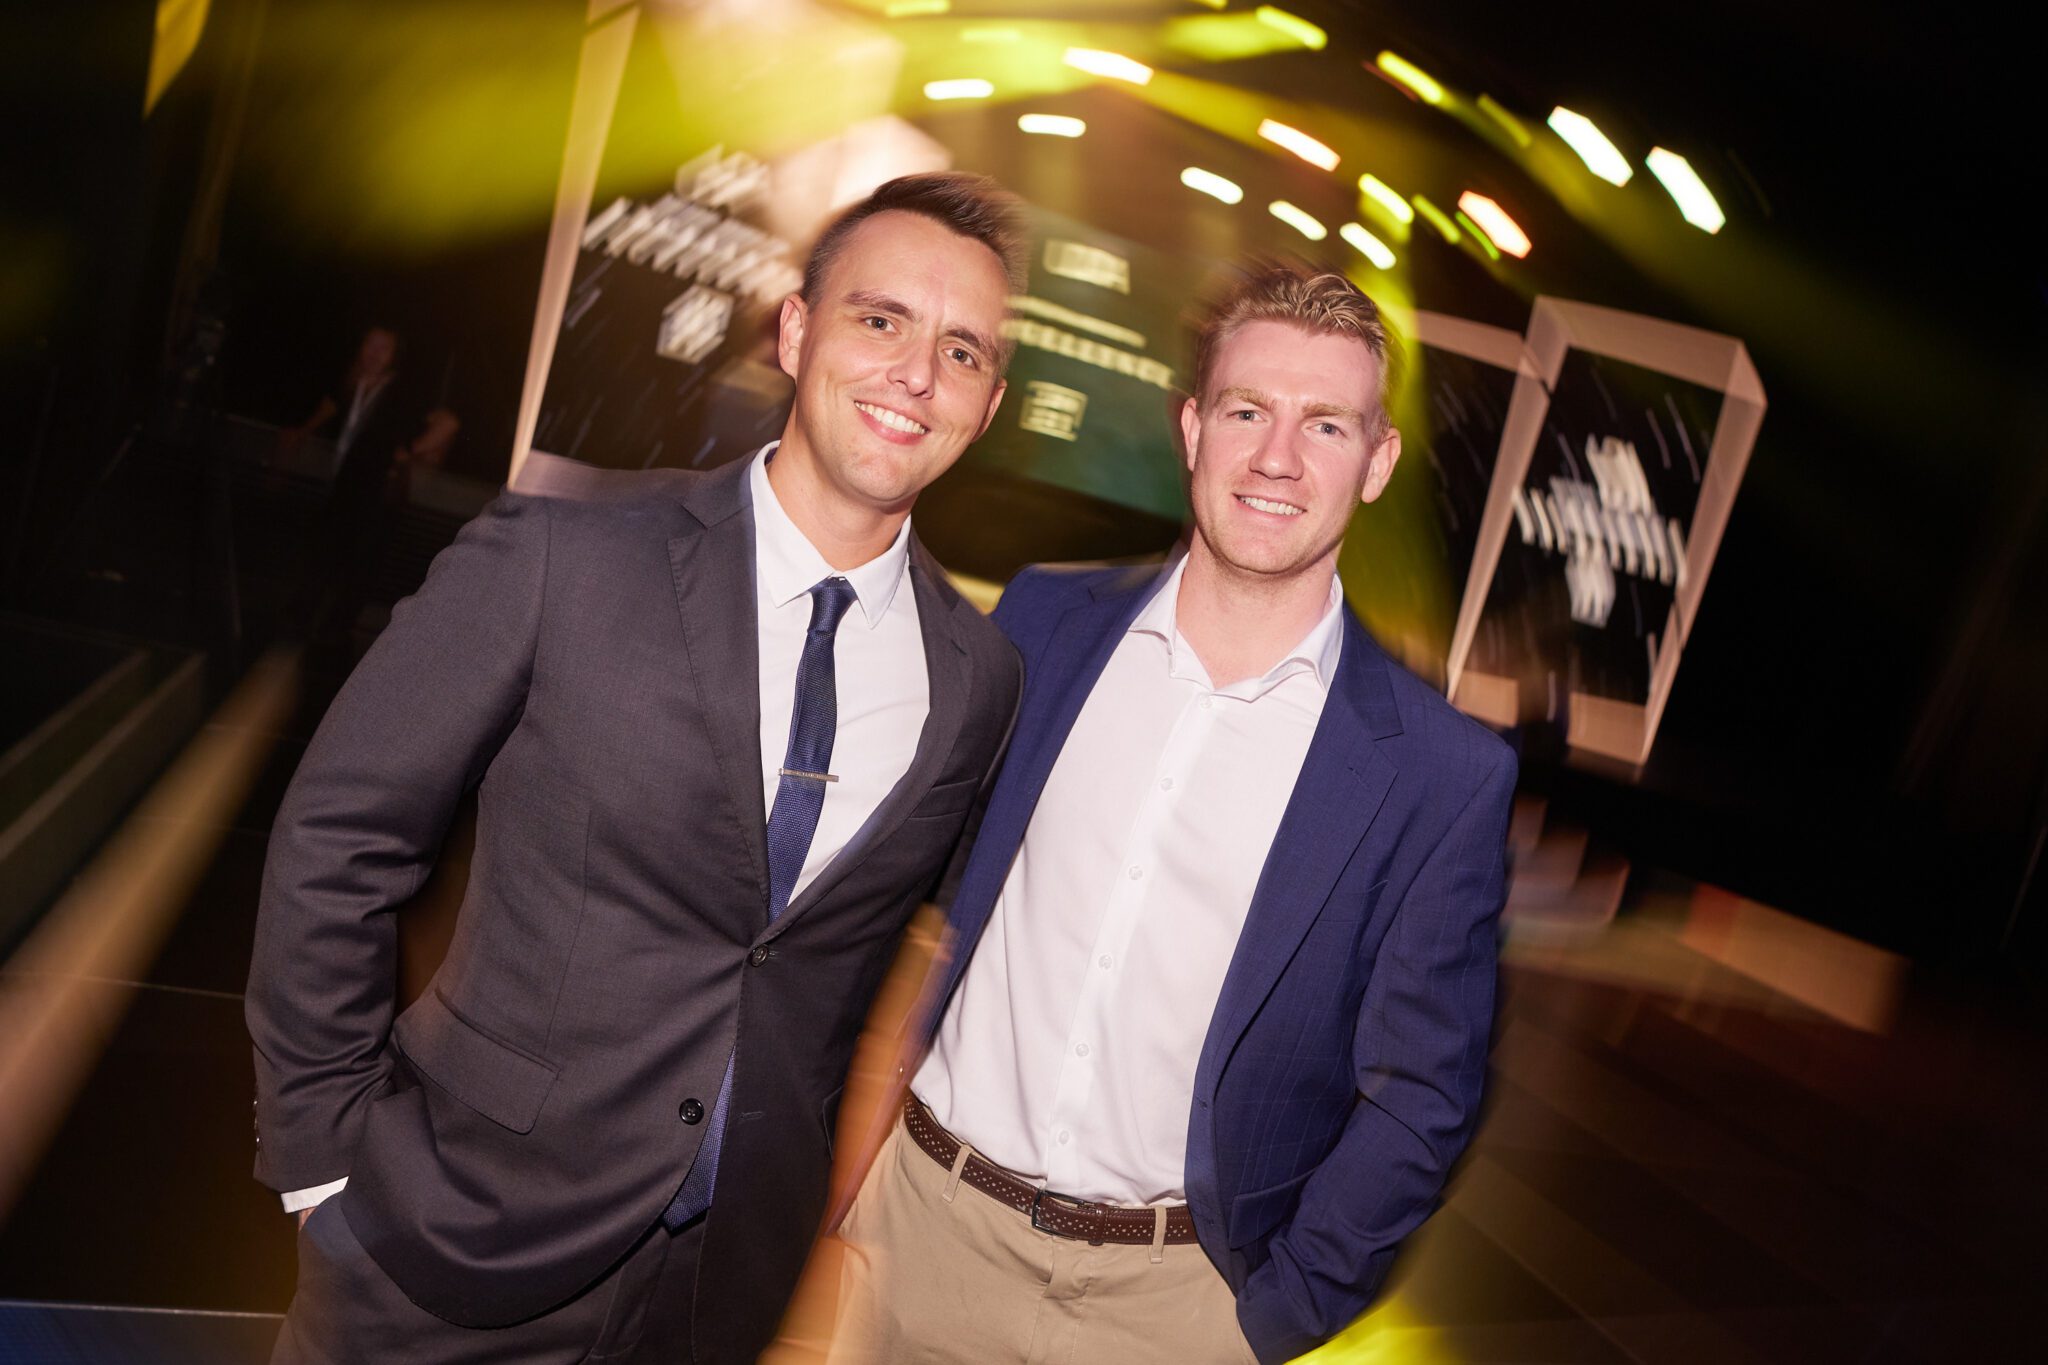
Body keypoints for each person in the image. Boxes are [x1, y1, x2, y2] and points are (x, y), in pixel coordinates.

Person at [247, 171, 1028, 1364]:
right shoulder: (564, 551)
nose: (916, 373)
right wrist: (322, 1163)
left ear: (988, 402)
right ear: (795, 332)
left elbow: (861, 974)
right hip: (444, 1245)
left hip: (718, 1297)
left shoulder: (978, 680)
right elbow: (340, 837)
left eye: (961, 351)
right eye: (880, 319)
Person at [830, 263, 1517, 1365]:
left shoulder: (1440, 775)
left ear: (1377, 462)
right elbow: (921, 893)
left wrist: (1271, 1318)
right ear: (1193, 429)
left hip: (1173, 1307)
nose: (1277, 457)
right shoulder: (1046, 623)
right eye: (1246, 411)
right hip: (922, 1238)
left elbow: (1420, 1099)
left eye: (1325, 425)